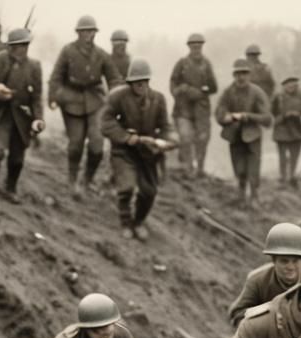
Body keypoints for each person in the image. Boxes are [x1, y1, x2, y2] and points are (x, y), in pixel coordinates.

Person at [101, 58, 178, 241]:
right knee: (126, 187)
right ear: (130, 83)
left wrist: (170, 140)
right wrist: (128, 138)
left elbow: (165, 126)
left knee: (149, 192)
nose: (140, 86)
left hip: (148, 154)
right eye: (136, 82)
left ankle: (139, 222)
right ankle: (126, 222)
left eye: (144, 82)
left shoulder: (158, 99)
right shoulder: (118, 97)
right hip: (124, 151)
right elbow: (106, 123)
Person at [48, 15, 121, 197]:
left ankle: (87, 180)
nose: (89, 35)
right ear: (78, 33)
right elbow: (56, 75)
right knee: (76, 144)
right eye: (85, 31)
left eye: (92, 32)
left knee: (97, 145)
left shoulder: (101, 54)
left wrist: (117, 98)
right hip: (72, 101)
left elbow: (114, 78)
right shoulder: (68, 51)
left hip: (95, 101)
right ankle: (72, 180)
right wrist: (53, 96)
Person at [0, 27, 44, 203]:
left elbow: (37, 97)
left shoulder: (34, 67)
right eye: (19, 46)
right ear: (10, 47)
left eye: (26, 45)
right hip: (0, 114)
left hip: (21, 118)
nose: (23, 49)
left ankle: (10, 188)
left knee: (17, 159)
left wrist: (38, 119)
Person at [228, 222, 301, 327]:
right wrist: (268, 315)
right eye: (284, 261)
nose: (290, 267)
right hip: (265, 336)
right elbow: (237, 313)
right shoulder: (257, 280)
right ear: (274, 260)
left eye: (295, 261)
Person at [216, 58, 271, 206]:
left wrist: (247, 116)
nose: (241, 77)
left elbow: (267, 118)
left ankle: (254, 197)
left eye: (244, 73)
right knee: (239, 168)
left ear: (249, 75)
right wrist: (226, 118)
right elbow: (219, 113)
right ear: (234, 75)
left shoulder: (257, 92)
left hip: (253, 135)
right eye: (238, 74)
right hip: (234, 135)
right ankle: (241, 196)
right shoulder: (228, 92)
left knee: (253, 167)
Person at [169, 32, 217, 177]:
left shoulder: (206, 64)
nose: (196, 49)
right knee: (185, 137)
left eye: (199, 46)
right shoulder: (182, 63)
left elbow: (214, 87)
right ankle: (187, 168)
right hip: (184, 109)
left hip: (201, 109)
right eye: (193, 46)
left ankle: (200, 168)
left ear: (202, 47)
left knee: (202, 138)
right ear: (189, 47)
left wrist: (202, 91)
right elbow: (172, 83)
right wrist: (180, 90)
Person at [271, 73, 301, 188]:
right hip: (282, 129)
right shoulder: (278, 97)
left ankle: (292, 177)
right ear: (284, 85)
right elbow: (271, 111)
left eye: (294, 82)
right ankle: (283, 178)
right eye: (288, 83)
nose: (291, 85)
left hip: (297, 129)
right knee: (282, 156)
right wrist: (284, 115)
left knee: (294, 155)